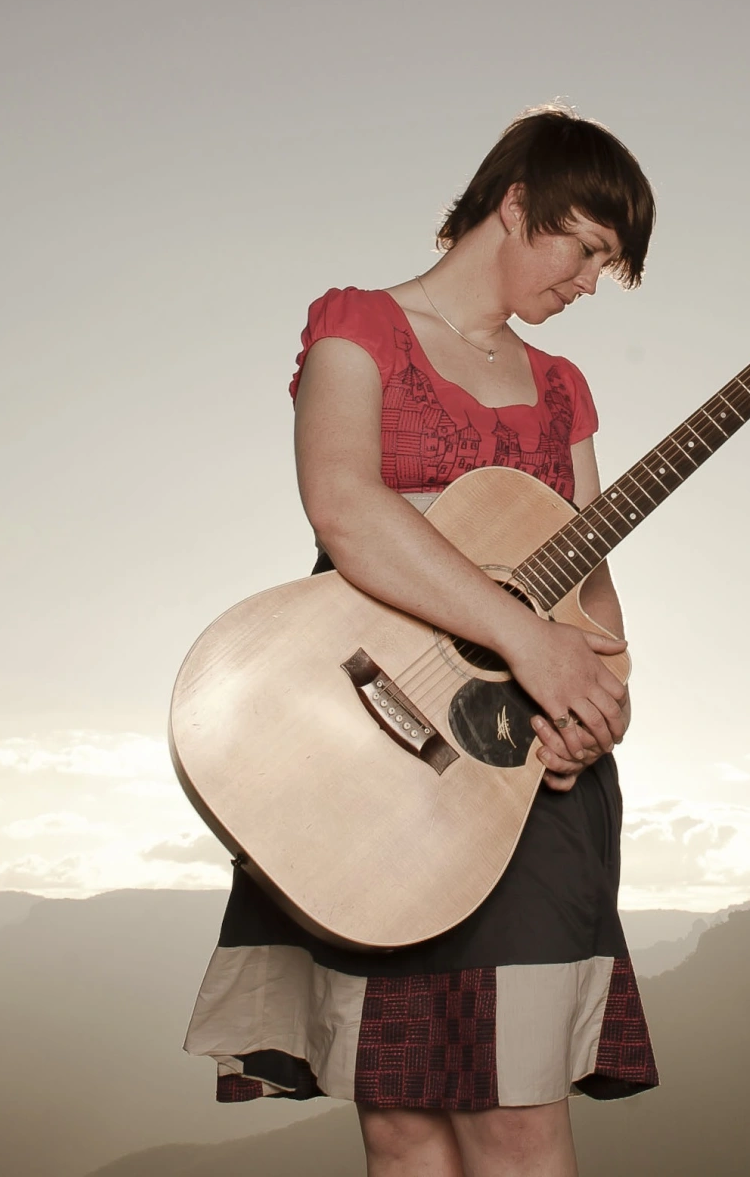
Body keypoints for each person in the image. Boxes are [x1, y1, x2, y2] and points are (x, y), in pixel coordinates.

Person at [183, 106, 660, 1177]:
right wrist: (526, 642)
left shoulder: (561, 391)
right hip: (357, 743)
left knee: (517, 1115)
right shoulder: (357, 327)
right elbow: (345, 508)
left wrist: (599, 701)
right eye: (585, 245)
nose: (590, 282)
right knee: (398, 1117)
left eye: (609, 264)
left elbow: (595, 601)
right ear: (517, 201)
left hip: (516, 770)